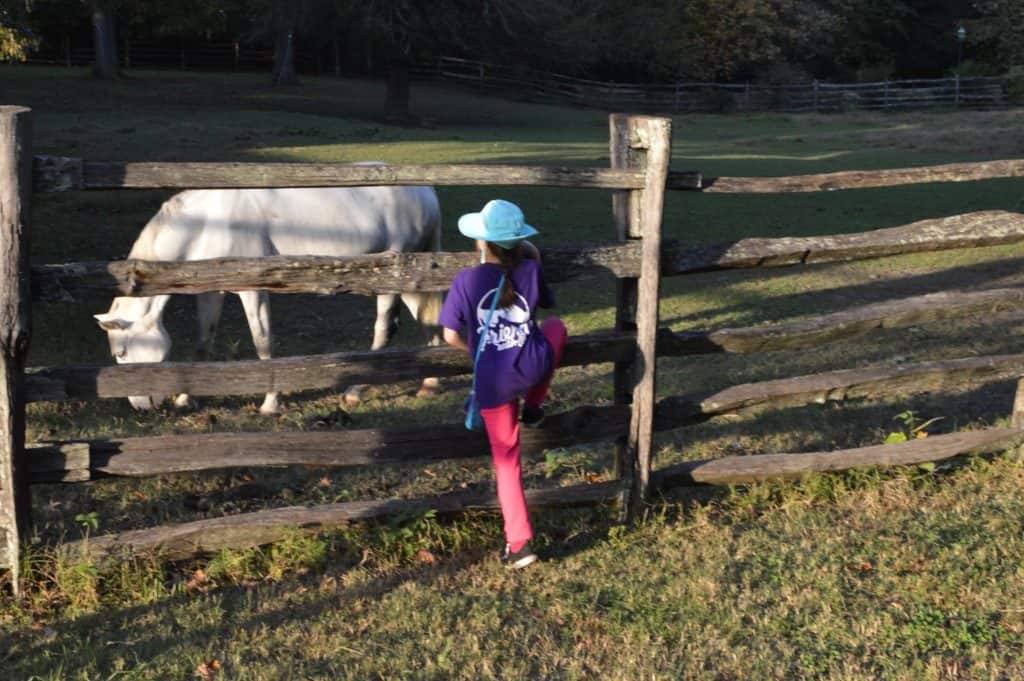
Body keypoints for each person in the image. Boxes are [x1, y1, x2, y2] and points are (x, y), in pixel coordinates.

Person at [439, 199, 568, 569]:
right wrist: (529, 253)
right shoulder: (530, 268)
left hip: (495, 382)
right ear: (519, 242)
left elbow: (449, 335)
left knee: (507, 462)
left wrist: (476, 348)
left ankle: (520, 543)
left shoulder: (466, 280)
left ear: (482, 243)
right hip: (531, 367)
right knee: (557, 328)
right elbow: (545, 305)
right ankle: (535, 405)